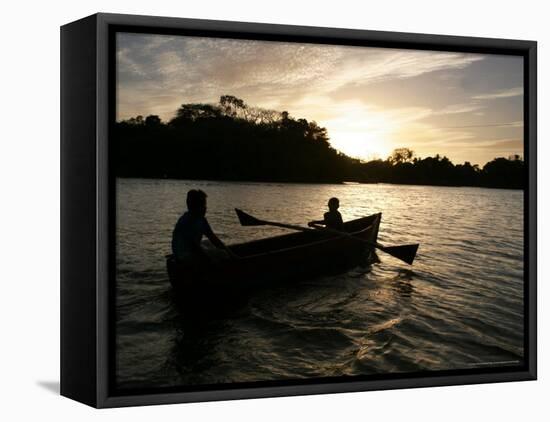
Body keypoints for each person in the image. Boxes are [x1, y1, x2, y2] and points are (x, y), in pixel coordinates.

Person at [171, 189, 235, 263]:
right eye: (202, 205)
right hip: (184, 256)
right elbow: (193, 246)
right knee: (223, 254)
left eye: (205, 205)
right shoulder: (187, 221)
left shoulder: (201, 219)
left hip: (189, 249)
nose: (205, 208)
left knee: (208, 242)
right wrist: (209, 259)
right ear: (194, 206)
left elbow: (212, 237)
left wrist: (231, 253)